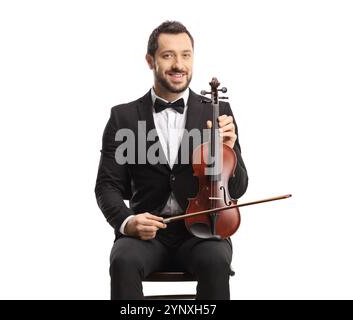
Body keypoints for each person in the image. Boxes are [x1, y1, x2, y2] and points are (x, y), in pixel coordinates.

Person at [95, 21, 248, 300]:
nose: (179, 64)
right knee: (123, 260)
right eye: (168, 55)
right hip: (146, 234)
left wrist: (230, 150)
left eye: (186, 55)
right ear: (150, 60)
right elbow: (107, 186)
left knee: (215, 260)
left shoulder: (218, 112)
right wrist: (128, 222)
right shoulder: (123, 118)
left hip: (204, 231)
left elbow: (237, 190)